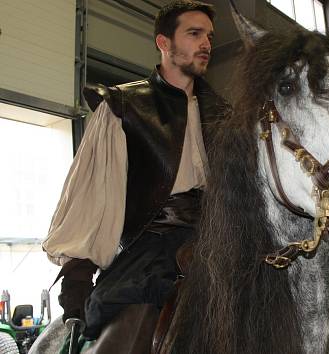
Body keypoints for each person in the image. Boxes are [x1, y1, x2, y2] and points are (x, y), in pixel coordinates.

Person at [41, 0, 229, 350]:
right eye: (194, 33)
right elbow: (89, 195)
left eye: (209, 36)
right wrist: (78, 280)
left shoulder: (224, 115)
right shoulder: (123, 107)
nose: (206, 44)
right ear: (164, 43)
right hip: (152, 250)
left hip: (218, 245)